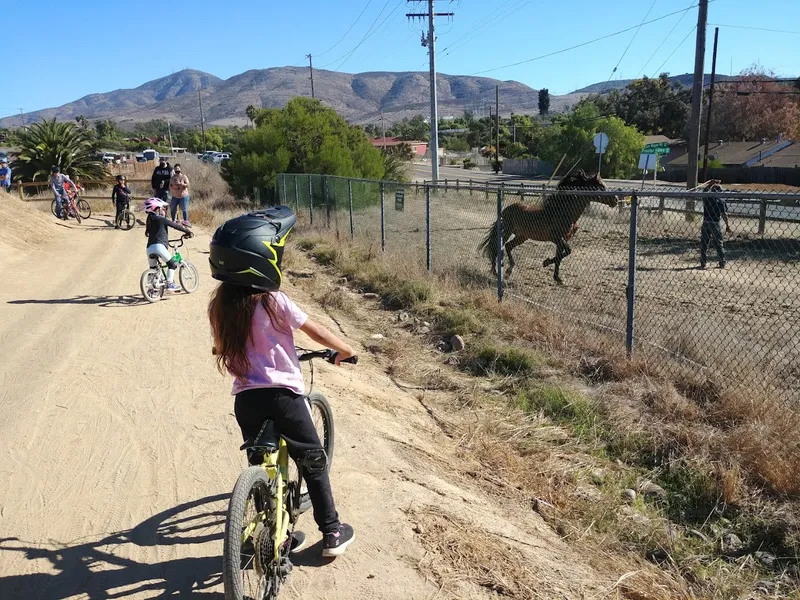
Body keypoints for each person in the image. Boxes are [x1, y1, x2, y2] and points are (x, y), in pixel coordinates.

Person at [207, 208, 357, 558]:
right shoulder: (273, 301)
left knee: (264, 466)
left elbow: (221, 343)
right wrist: (345, 349)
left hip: (246, 401)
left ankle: (266, 533)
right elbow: (313, 330)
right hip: (283, 396)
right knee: (313, 460)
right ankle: (332, 530)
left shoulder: (220, 304)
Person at [143, 197, 193, 292]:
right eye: (161, 208)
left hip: (149, 248)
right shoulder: (161, 219)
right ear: (156, 209)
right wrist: (187, 231)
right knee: (172, 264)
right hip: (159, 247)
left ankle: (150, 289)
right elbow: (175, 226)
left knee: (153, 269)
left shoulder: (150, 220)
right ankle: (170, 283)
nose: (163, 210)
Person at [700, 183, 731, 269]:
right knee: (718, 243)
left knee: (704, 243)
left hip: (706, 222)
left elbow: (704, 190)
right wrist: (727, 225)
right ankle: (722, 261)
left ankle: (703, 262)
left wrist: (710, 183)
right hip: (715, 223)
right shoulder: (721, 201)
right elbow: (724, 214)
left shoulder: (706, 198)